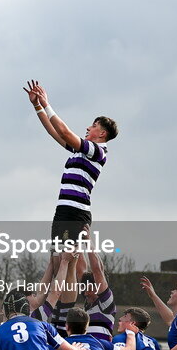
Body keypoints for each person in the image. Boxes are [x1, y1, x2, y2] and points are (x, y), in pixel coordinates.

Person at [22, 80, 117, 243]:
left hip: (75, 212)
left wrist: (46, 104)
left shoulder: (98, 151)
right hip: (64, 210)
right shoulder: (81, 149)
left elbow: (65, 132)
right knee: (61, 260)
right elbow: (54, 132)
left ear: (102, 133)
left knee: (65, 261)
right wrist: (37, 105)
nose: (88, 128)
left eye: (93, 126)